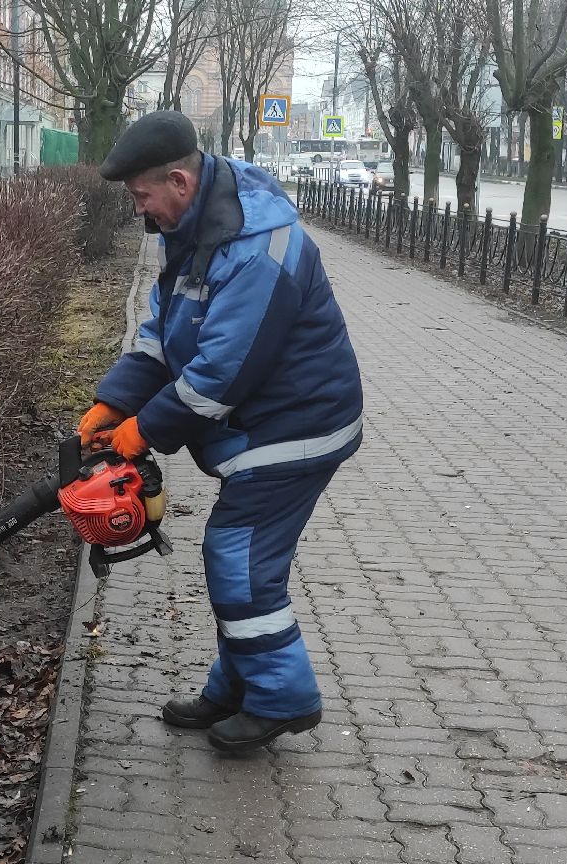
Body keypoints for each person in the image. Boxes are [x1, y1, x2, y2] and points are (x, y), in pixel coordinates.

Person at [78, 111, 364, 753]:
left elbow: (222, 373)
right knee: (240, 561)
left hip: (297, 425)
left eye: (142, 195)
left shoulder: (256, 249)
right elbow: (163, 332)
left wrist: (143, 430)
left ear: (179, 181)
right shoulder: (196, 227)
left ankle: (281, 698)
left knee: (238, 556)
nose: (138, 208)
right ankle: (238, 685)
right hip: (268, 420)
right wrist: (112, 403)